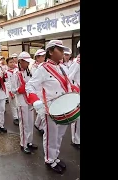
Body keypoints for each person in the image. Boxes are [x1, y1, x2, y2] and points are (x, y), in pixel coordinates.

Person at [25, 40, 79, 174]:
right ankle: (50, 160)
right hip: (50, 109)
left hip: (63, 107)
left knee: (59, 136)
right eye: (59, 49)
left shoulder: (62, 67)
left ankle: (55, 156)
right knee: (51, 136)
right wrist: (36, 102)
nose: (63, 52)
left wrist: (74, 90)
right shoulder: (43, 68)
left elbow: (66, 84)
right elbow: (30, 86)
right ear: (50, 51)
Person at [12, 51, 38, 154]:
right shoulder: (15, 74)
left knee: (30, 122)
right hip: (21, 101)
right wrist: (20, 89)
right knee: (24, 124)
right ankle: (23, 144)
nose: (27, 64)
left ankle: (30, 142)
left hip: (29, 101)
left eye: (28, 62)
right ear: (20, 61)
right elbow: (13, 89)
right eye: (25, 62)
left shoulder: (29, 72)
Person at [68, 40, 80, 149]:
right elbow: (68, 77)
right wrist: (75, 87)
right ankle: (76, 140)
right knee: (77, 118)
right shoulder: (77, 62)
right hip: (78, 92)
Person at [31, 49, 46, 135]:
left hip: (43, 89)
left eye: (44, 56)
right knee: (41, 109)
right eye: (42, 56)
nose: (44, 58)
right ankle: (39, 125)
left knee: (43, 109)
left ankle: (38, 124)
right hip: (37, 90)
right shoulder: (34, 67)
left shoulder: (43, 65)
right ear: (37, 57)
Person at [4, 57, 19, 126]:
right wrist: (11, 92)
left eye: (13, 62)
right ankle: (15, 118)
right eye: (10, 62)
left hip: (18, 90)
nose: (12, 63)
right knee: (13, 105)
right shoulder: (6, 73)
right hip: (11, 91)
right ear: (7, 64)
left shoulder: (17, 70)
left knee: (18, 104)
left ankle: (19, 116)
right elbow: (7, 83)